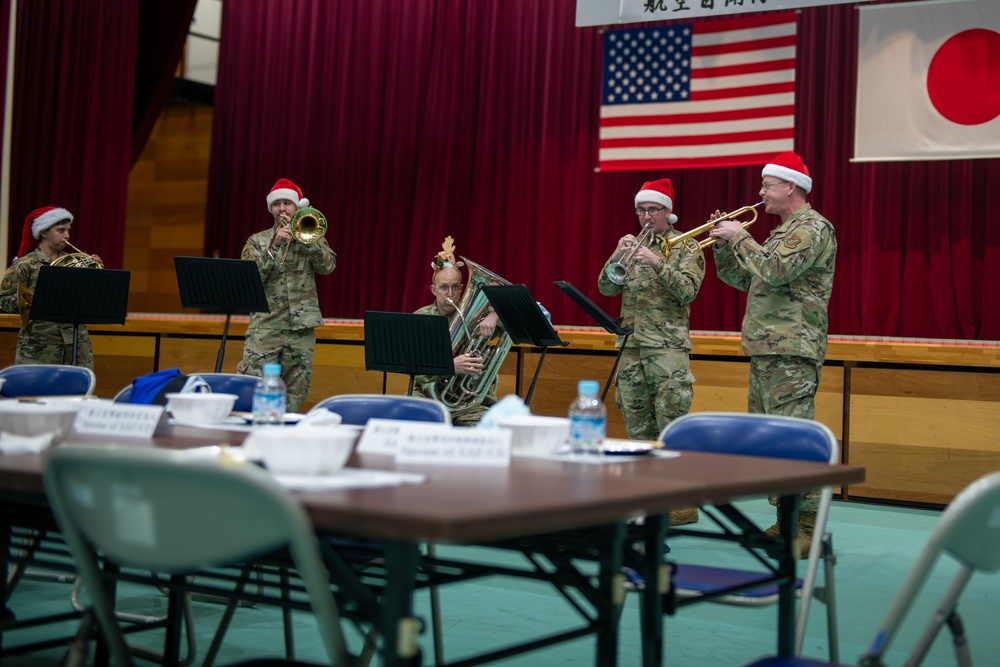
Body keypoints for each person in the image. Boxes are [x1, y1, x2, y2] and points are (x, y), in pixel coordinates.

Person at [708, 151, 837, 551]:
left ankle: (806, 527)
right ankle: (786, 520)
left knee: (795, 440)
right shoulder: (781, 232)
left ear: (790, 187)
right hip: (768, 348)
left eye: (767, 185)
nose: (760, 193)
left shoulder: (812, 227)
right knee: (772, 442)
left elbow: (775, 270)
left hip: (793, 348)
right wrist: (721, 245)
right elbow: (745, 279)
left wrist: (740, 237)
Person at [598, 178, 705, 525]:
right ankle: (649, 499)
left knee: (670, 425)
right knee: (637, 424)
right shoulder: (630, 247)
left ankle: (682, 504)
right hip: (631, 347)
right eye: (641, 210)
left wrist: (657, 262)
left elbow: (688, 290)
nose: (646, 217)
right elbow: (605, 286)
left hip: (667, 349)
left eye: (653, 210)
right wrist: (618, 255)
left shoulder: (687, 247)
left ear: (667, 213)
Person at [237, 178, 336, 412]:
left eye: (287, 203)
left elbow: (328, 267)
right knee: (254, 383)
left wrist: (309, 242)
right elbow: (248, 279)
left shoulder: (313, 237)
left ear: (297, 207)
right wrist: (274, 245)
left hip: (301, 328)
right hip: (266, 326)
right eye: (277, 204)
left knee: (297, 389)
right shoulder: (257, 241)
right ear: (271, 208)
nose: (282, 208)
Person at [413, 237, 501, 427]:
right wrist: (450, 366)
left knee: (489, 428)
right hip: (427, 396)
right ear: (433, 290)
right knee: (405, 416)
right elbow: (416, 370)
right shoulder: (420, 317)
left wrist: (495, 315)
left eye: (455, 287)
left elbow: (518, 322)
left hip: (469, 402)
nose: (450, 294)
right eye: (444, 288)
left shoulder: (478, 315)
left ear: (462, 289)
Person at [0, 207, 100, 369]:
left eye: (68, 230)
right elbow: (3, 300)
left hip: (75, 343)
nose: (67, 235)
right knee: (36, 392)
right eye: (61, 230)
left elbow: (88, 298)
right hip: (39, 346)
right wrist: (37, 299)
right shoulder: (24, 264)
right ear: (44, 232)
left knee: (76, 391)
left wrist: (93, 275)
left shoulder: (74, 263)